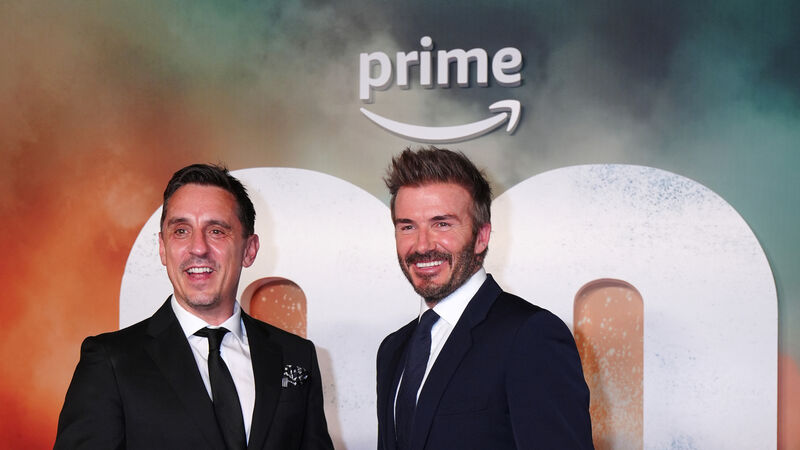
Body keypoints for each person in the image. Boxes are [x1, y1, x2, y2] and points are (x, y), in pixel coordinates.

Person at [55, 164, 334, 450]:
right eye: (181, 231)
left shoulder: (296, 355)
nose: (198, 248)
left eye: (216, 231)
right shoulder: (110, 362)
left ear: (249, 250)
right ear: (162, 248)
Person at [376, 148, 593, 449]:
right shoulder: (393, 348)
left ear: (481, 237)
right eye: (408, 226)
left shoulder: (530, 335)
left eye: (442, 224)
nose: (422, 245)